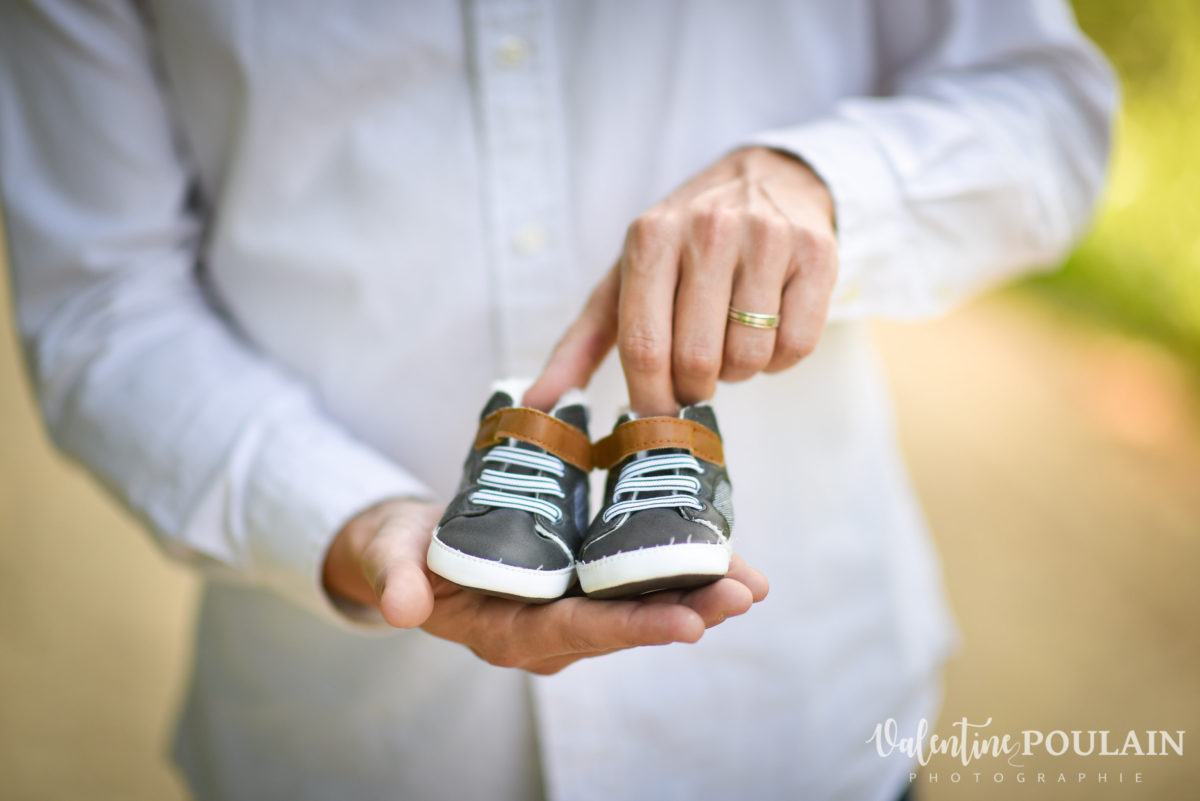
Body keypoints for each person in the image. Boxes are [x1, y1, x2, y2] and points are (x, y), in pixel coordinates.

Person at [0, 1, 1115, 799]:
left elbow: (1053, 111)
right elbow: (104, 301)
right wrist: (340, 519)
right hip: (343, 753)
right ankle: (527, 460)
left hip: (799, 737)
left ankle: (656, 452)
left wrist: (824, 181)